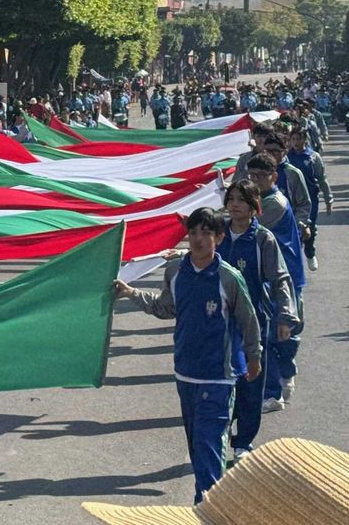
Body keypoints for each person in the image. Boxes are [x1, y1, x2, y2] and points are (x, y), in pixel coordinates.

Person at [114, 207, 261, 504]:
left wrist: (253, 356)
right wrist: (131, 293)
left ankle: (207, 509)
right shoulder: (176, 271)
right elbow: (166, 308)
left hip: (218, 377)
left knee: (209, 446)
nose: (198, 239)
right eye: (193, 232)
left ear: (219, 237)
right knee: (198, 447)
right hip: (185, 372)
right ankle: (211, 502)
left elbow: (248, 319)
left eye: (206, 233)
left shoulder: (228, 278)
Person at [217, 180, 298, 461]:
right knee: (221, 383)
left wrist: (285, 317)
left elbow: (279, 279)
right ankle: (219, 437)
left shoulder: (263, 239)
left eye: (242, 199)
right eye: (231, 198)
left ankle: (243, 443)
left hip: (251, 322)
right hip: (218, 323)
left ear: (254, 206)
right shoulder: (217, 234)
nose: (235, 204)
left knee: (251, 382)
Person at [243, 153, 306, 414]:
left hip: (284, 278)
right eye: (252, 176)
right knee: (271, 337)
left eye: (262, 176)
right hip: (269, 277)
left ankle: (274, 390)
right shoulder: (260, 200)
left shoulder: (274, 203)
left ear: (274, 177)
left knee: (280, 333)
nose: (256, 181)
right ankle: (278, 383)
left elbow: (243, 225)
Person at [285, 126, 332, 271]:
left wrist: (328, 199)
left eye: (299, 139)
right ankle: (295, 258)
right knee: (293, 228)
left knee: (308, 227)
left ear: (305, 139)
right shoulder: (286, 157)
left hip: (310, 200)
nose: (296, 142)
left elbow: (322, 179)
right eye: (293, 139)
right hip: (291, 199)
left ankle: (310, 252)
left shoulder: (313, 157)